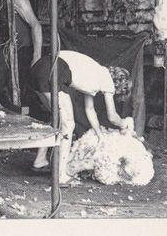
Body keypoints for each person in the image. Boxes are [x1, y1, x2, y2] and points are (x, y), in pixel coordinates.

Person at [29, 50, 134, 184]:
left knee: (58, 118)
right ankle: (61, 177)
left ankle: (40, 160)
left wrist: (99, 134)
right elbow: (112, 116)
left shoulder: (97, 74)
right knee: (68, 124)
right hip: (55, 69)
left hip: (40, 67)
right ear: (119, 84)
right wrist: (124, 124)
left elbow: (89, 109)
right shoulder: (107, 81)